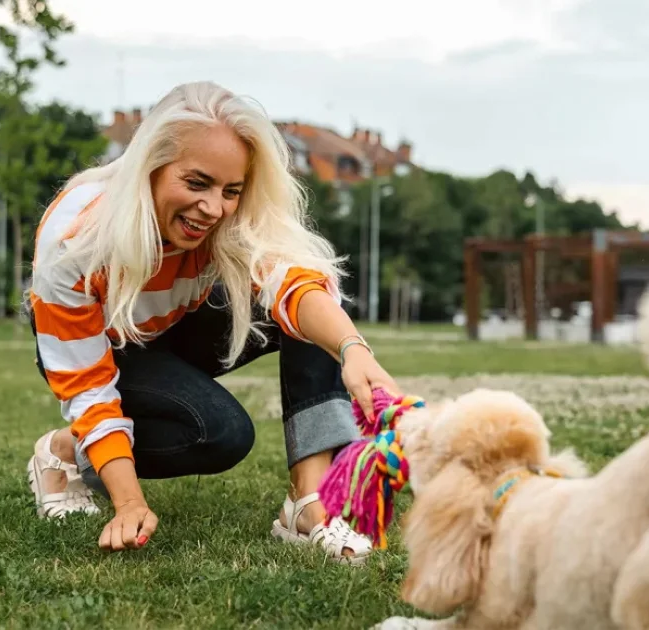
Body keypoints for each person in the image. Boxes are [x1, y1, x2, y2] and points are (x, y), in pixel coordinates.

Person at [24, 81, 401, 564]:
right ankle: (64, 452)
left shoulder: (230, 219)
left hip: (174, 325)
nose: (213, 209)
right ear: (151, 166)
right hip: (104, 348)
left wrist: (352, 348)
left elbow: (293, 281)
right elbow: (89, 386)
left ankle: (309, 503)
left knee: (310, 295)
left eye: (231, 191)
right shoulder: (75, 237)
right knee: (221, 434)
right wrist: (129, 503)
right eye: (197, 183)